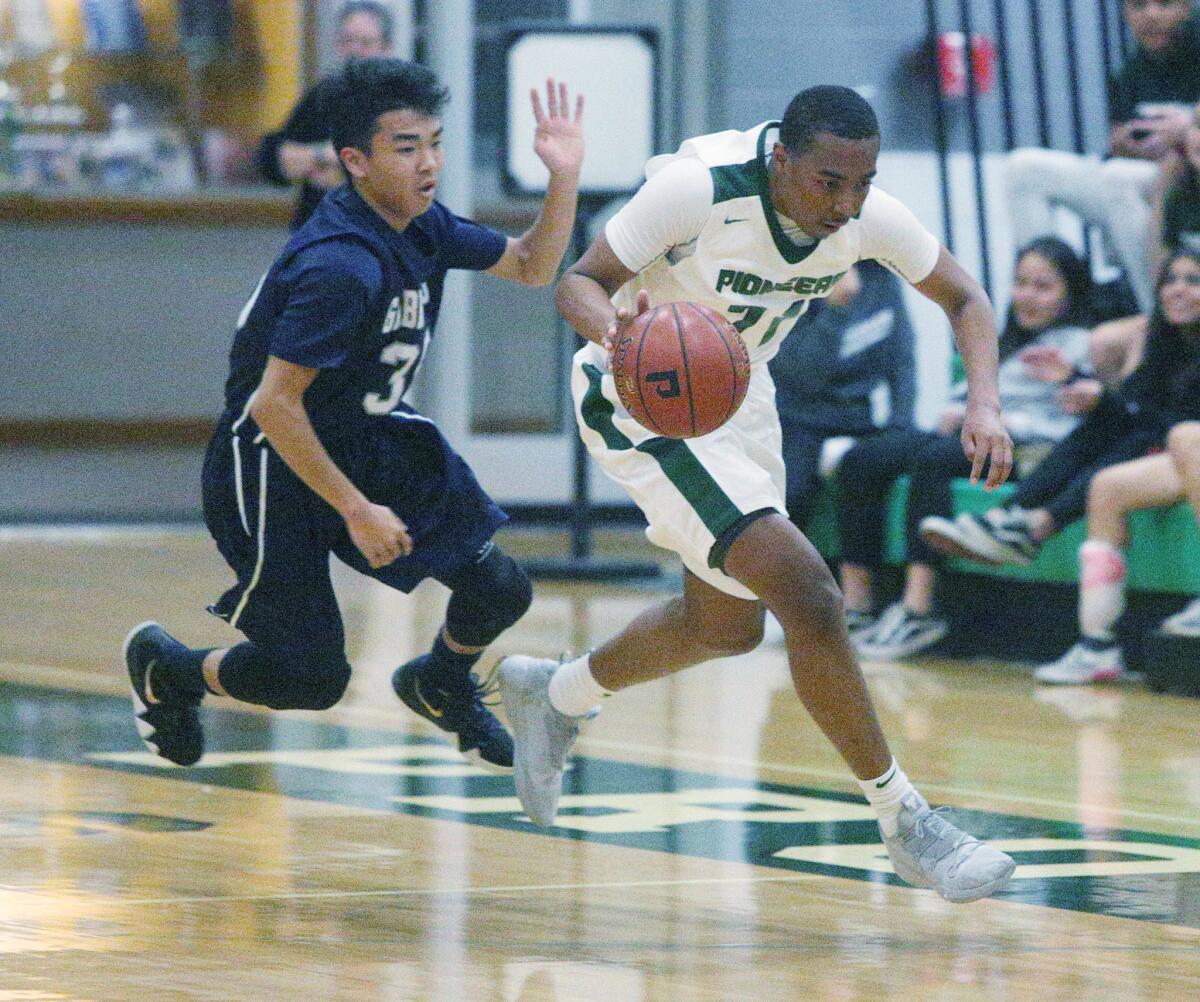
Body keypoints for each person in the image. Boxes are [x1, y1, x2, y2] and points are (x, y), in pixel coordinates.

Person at [498, 86, 1017, 904]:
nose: (846, 205)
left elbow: (967, 298)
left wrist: (985, 401)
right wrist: (620, 334)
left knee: (725, 627)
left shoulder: (867, 216)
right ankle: (907, 823)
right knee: (809, 593)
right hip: (640, 394)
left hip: (740, 397)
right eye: (828, 183)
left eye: (862, 183)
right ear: (781, 160)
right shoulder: (699, 188)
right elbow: (578, 283)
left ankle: (556, 694)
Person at [122, 60, 584, 772]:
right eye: (406, 147)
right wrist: (358, 509)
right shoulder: (342, 266)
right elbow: (274, 405)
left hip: (365, 439)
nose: (429, 162)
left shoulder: (421, 226)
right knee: (310, 678)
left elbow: (531, 265)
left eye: (434, 141)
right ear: (355, 162)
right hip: (271, 461)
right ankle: (172, 670)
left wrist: (564, 178)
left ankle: (439, 681)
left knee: (499, 588)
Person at [923, 249, 1200, 682]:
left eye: (1193, 279)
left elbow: (1166, 424)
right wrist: (1080, 387)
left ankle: (1028, 525)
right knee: (1107, 478)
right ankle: (1097, 648)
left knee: (1169, 432)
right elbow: (1140, 413)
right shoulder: (1167, 345)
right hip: (1181, 458)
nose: (1179, 289)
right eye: (1172, 279)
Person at [844, 238, 1097, 659]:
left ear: (1071, 293)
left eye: (1043, 286)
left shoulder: (1081, 345)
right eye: (1021, 283)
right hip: (973, 436)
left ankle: (917, 610)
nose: (1027, 296)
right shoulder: (1005, 341)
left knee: (935, 459)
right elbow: (964, 395)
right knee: (864, 458)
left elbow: (1078, 425)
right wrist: (956, 410)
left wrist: (1008, 421)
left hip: (1029, 451)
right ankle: (855, 607)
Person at [1006, 0, 1200, 312]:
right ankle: (1049, 299)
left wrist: (1189, 124)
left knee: (1118, 179)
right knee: (1024, 169)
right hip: (1143, 181)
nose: (1151, 15)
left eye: (1164, 3)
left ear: (1189, 6)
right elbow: (1119, 139)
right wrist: (1125, 142)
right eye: (1138, 6)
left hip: (1186, 182)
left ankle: (1157, 315)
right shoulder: (1132, 69)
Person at [769, 261, 918, 538]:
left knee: (870, 473)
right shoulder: (797, 272)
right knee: (793, 494)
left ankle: (859, 581)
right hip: (798, 418)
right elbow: (803, 376)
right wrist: (835, 309)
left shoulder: (882, 278)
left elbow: (902, 362)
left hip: (857, 417)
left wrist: (899, 426)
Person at [256, 1, 394, 230]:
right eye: (347, 41)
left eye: (366, 43)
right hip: (316, 233)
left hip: (378, 235)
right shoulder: (324, 95)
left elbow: (387, 170)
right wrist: (324, 156)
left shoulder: (402, 103)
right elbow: (271, 156)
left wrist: (327, 163)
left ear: (386, 49)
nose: (355, 50)